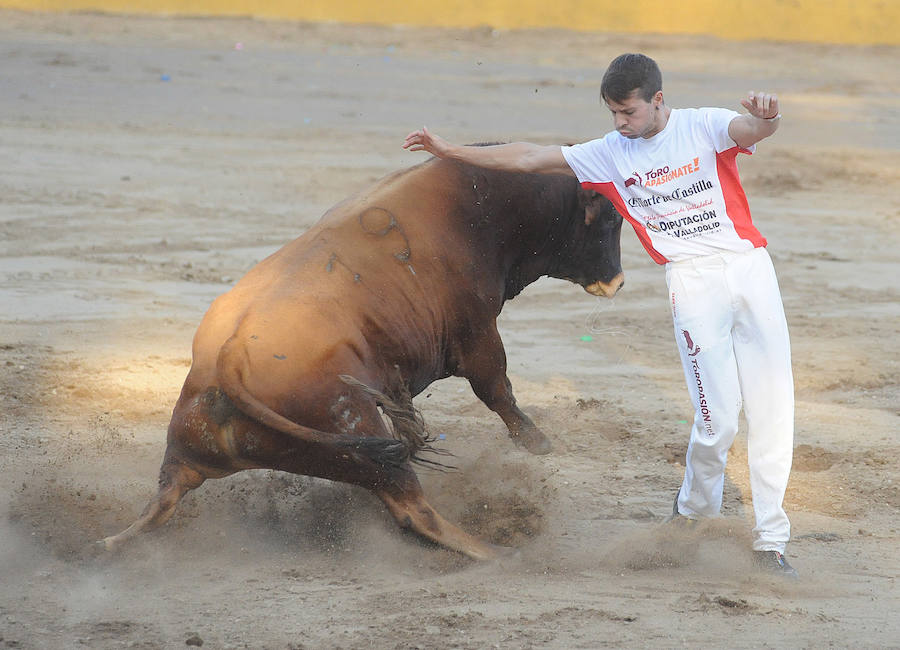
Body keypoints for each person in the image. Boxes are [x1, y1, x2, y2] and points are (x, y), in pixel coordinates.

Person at [403, 53, 798, 578]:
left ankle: (770, 541)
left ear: (658, 101)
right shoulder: (611, 153)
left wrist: (767, 118)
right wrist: (450, 150)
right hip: (692, 281)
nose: (619, 124)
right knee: (717, 419)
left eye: (628, 112)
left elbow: (750, 127)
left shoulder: (702, 124)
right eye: (613, 113)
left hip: (751, 271)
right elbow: (528, 159)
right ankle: (694, 510)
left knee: (773, 411)